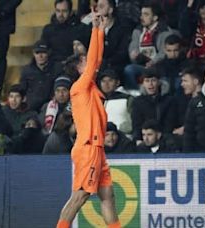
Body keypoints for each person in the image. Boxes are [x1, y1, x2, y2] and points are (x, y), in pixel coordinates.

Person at [56, 10, 121, 228]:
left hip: (96, 148)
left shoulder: (88, 87)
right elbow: (94, 59)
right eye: (85, 61)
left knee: (108, 196)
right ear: (79, 68)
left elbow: (97, 58)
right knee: (79, 197)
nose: (91, 63)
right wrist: (95, 29)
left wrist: (100, 31)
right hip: (88, 147)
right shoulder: (79, 87)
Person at [124, 1, 180, 89]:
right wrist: (133, 54)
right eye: (141, 14)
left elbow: (164, 52)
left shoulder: (164, 31)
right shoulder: (138, 30)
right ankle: (136, 95)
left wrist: (153, 62)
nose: (141, 17)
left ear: (155, 17)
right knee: (129, 70)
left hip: (159, 67)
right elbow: (133, 46)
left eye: (146, 14)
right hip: (142, 65)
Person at [163, 66, 203, 151]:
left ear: (196, 81)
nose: (182, 84)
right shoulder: (183, 100)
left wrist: (186, 128)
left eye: (185, 81)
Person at [131, 68, 172, 145]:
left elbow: (169, 123)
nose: (150, 84)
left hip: (164, 139)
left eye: (153, 80)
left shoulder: (168, 100)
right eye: (147, 81)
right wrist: (138, 139)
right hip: (144, 139)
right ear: (143, 84)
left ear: (159, 82)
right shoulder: (137, 102)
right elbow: (136, 124)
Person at [20, 40, 63, 112]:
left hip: (51, 107)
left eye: (43, 52)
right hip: (31, 108)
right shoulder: (26, 70)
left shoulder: (57, 68)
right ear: (33, 54)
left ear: (49, 53)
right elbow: (22, 89)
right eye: (37, 53)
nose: (40, 56)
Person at [98, 69, 133, 135]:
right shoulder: (97, 100)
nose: (106, 84)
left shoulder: (127, 99)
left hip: (124, 136)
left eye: (110, 80)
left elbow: (133, 121)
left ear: (117, 83)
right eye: (103, 81)